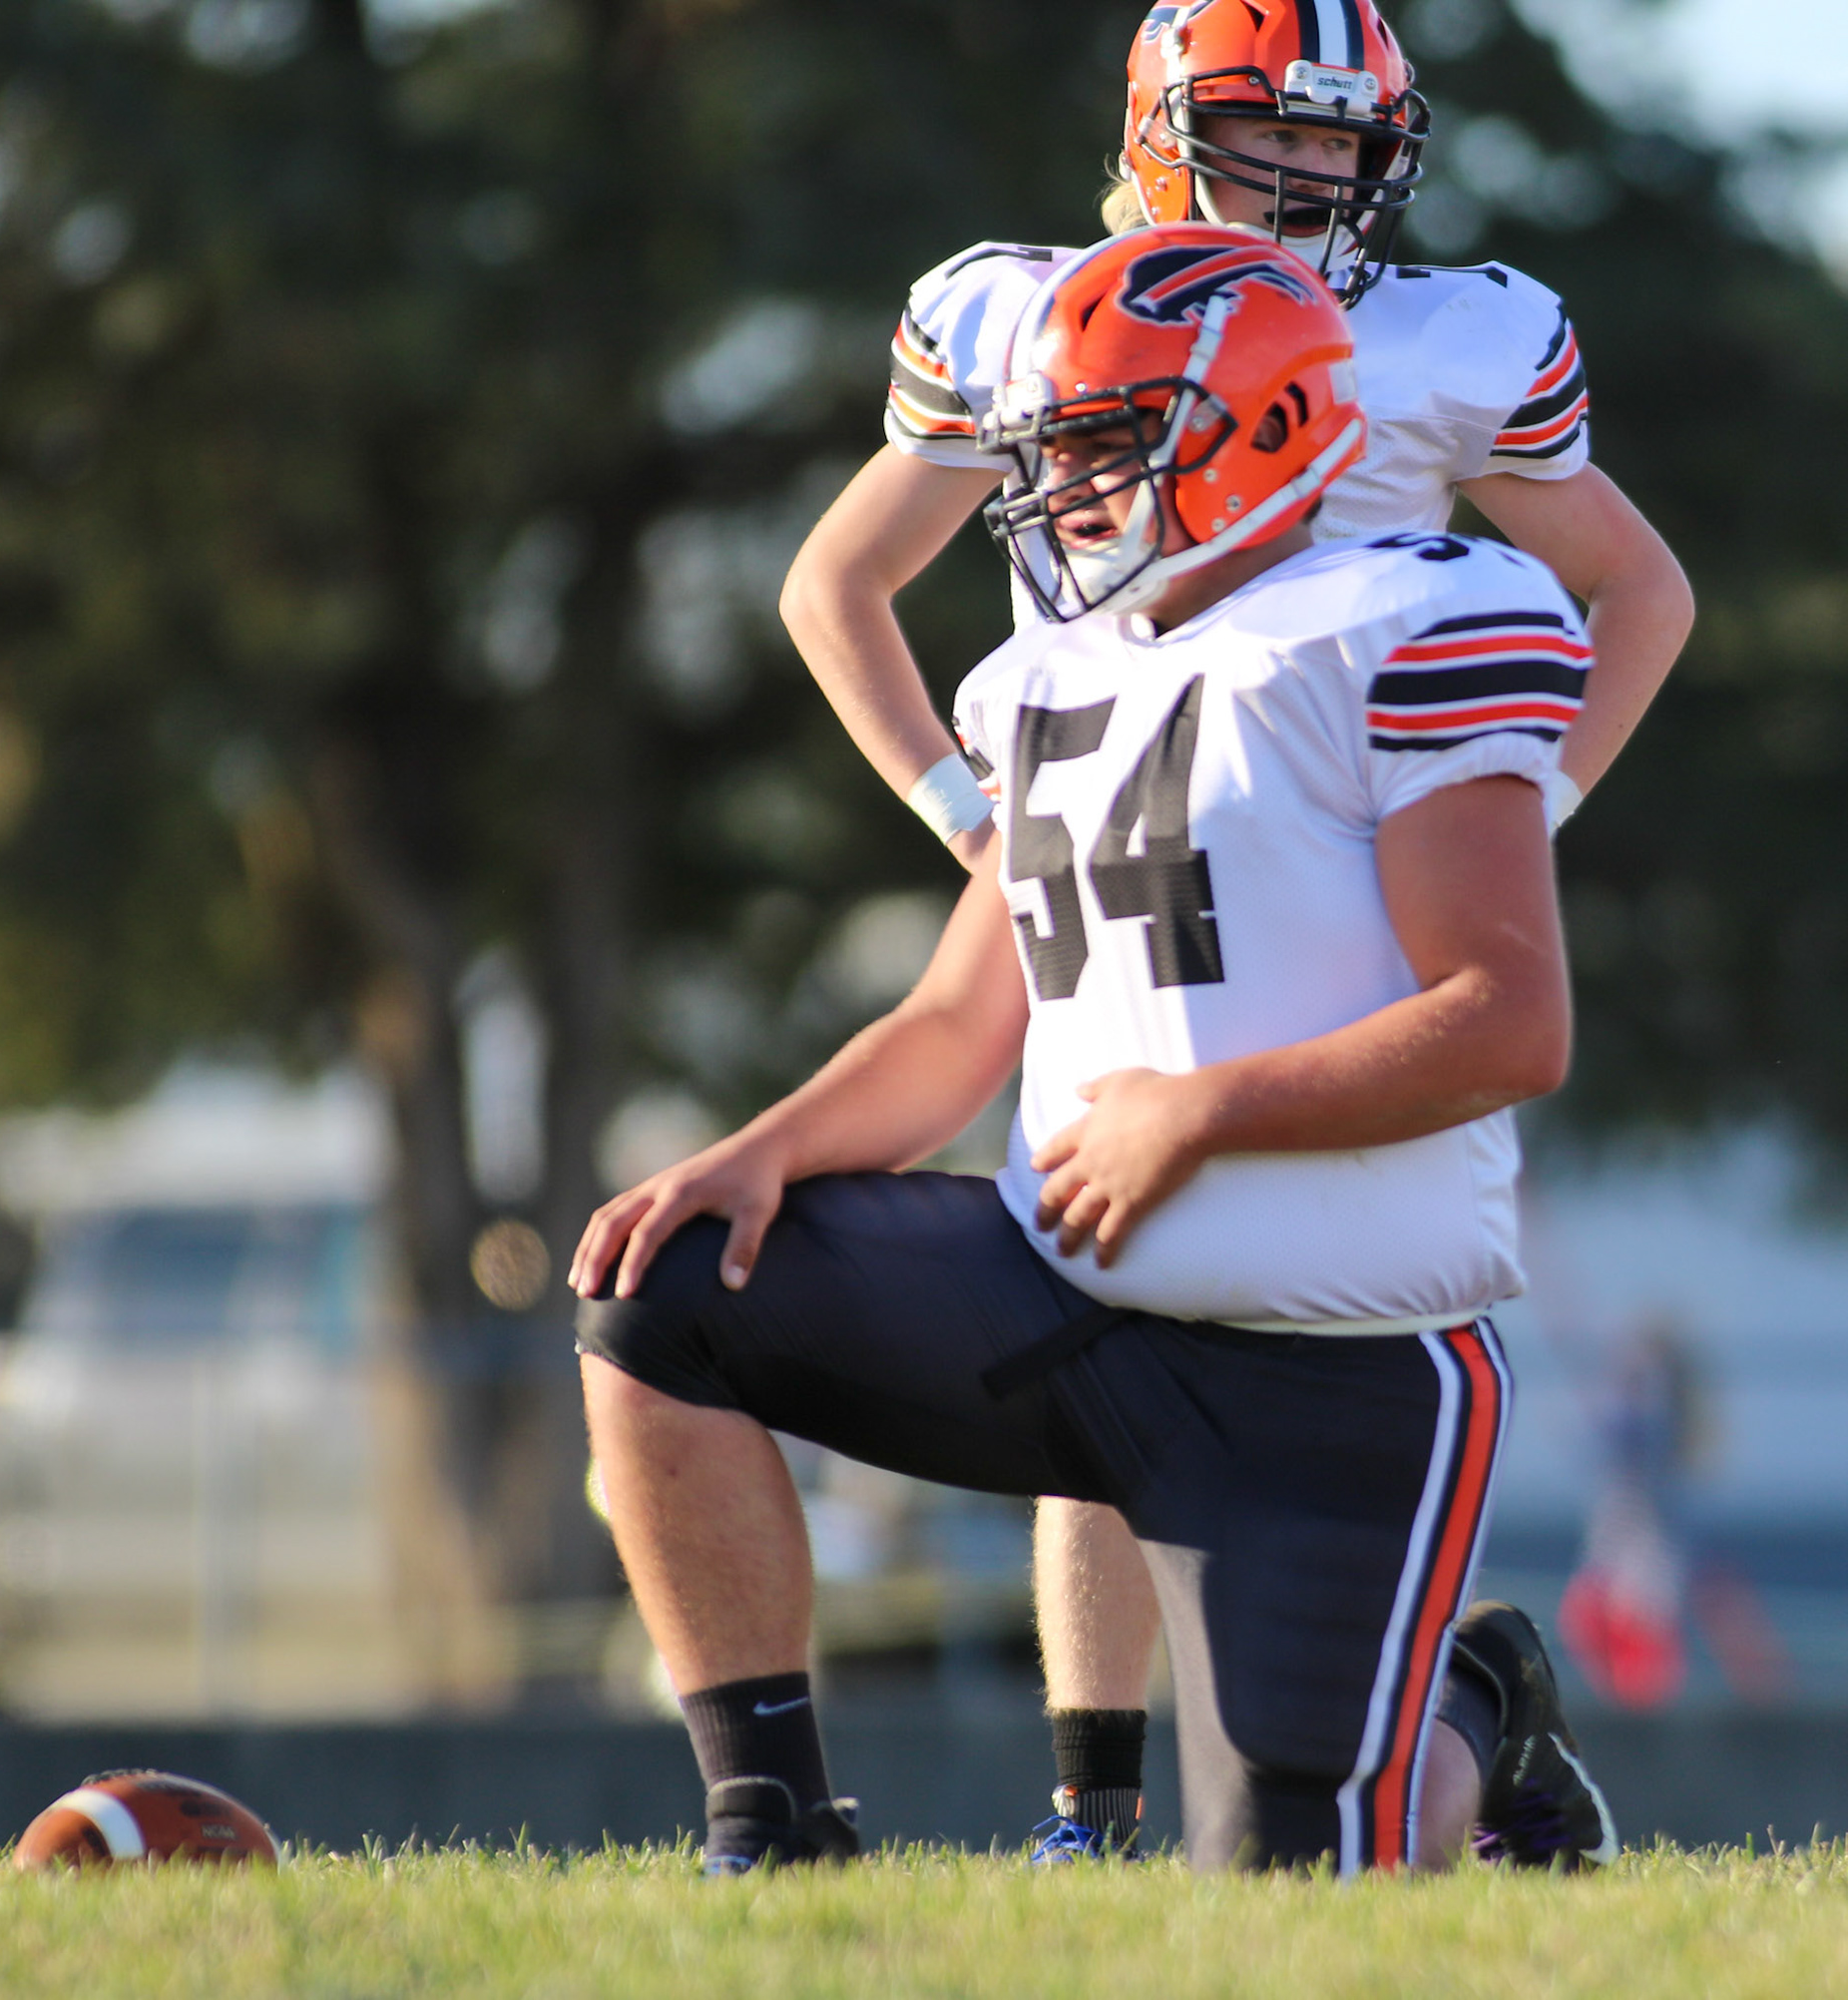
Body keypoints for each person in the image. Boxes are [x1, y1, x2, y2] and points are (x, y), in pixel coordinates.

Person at [574, 227, 1616, 1875]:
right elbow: (955, 1025)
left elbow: (1509, 1019)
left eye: (1112, 449)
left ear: (1265, 434)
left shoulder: (1418, 620)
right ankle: (770, 1827)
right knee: (666, 1282)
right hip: (1065, 1309)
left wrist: (1203, 1116)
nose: (1063, 496)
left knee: (1313, 1889)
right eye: (1057, 454)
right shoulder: (1050, 672)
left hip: (1330, 1377)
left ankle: (1480, 1702)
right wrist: (759, 1149)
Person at [776, 0, 1688, 1860]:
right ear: (1161, 123)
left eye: (1343, 144)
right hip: (1109, 837)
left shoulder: (1445, 337)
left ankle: (1377, 1729)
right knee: (1082, 1268)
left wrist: (1531, 804)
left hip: (1323, 842)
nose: (1312, 178)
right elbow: (839, 581)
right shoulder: (1023, 315)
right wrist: (974, 828)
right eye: (1272, 132)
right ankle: (1097, 1801)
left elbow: (1638, 590)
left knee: (1220, 1272)